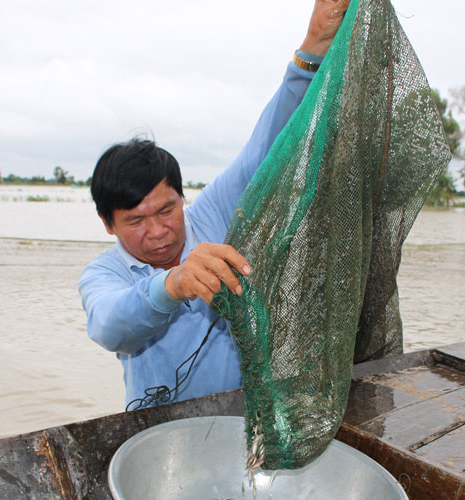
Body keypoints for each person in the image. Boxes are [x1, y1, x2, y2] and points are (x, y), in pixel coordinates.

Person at [79, 1, 349, 408]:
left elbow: (266, 146)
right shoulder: (103, 274)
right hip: (160, 432)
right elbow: (109, 327)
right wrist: (172, 284)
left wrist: (313, 46)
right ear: (107, 224)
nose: (157, 231)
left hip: (245, 420)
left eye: (167, 210)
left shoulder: (215, 213)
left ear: (182, 198)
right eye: (135, 221)